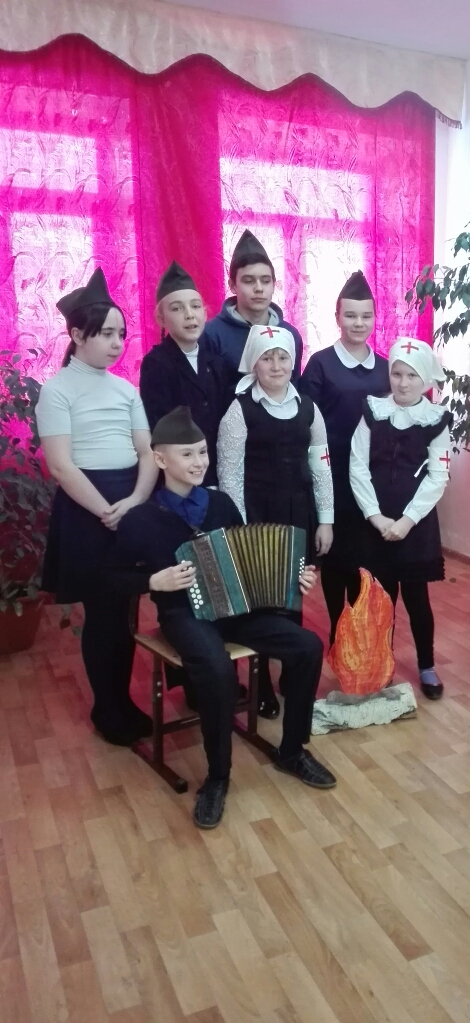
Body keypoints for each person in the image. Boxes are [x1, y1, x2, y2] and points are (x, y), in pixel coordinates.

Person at [113, 406, 337, 829]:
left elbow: (249, 563)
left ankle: (293, 751)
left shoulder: (220, 504)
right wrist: (153, 581)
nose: (199, 462)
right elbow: (110, 579)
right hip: (184, 615)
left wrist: (293, 578)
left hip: (236, 610)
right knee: (216, 668)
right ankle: (218, 777)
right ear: (160, 459)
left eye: (202, 452)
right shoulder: (141, 519)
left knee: (307, 645)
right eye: (187, 454)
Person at [36, 268, 158, 745]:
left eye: (121, 334)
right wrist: (107, 509)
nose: (117, 343)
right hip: (86, 506)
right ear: (77, 335)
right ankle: (107, 707)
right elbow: (61, 466)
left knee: (127, 610)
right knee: (103, 613)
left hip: (130, 499)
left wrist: (136, 500)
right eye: (106, 333)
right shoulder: (57, 390)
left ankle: (122, 700)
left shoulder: (126, 390)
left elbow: (147, 452)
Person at [217, 324, 334, 717]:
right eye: (267, 358)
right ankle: (261, 684)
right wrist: (239, 529)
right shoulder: (239, 410)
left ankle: (292, 672)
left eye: (283, 357)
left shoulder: (309, 409)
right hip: (257, 515)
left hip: (298, 513)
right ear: (254, 362)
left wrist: (326, 520)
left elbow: (321, 468)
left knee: (293, 594)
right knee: (261, 601)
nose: (277, 365)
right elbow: (230, 474)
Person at [349, 337, 452, 700]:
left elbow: (438, 477)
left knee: (417, 598)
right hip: (375, 522)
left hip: (415, 525)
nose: (403, 383)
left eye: (412, 376)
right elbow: (357, 466)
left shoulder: (436, 420)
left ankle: (427, 666)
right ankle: (381, 664)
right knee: (380, 598)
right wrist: (374, 516)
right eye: (397, 374)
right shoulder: (373, 411)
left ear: (425, 379)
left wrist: (407, 521)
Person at [299, 271, 390, 644]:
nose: (358, 323)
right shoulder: (320, 364)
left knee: (369, 558)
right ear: (337, 317)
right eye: (350, 315)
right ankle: (339, 629)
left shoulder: (386, 368)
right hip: (333, 477)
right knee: (337, 557)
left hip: (374, 479)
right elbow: (306, 422)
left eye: (366, 316)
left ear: (375, 318)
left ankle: (365, 633)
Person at [139, 261, 233, 488]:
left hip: (218, 471)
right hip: (179, 477)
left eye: (195, 306)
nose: (189, 315)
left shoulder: (217, 362)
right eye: (177, 308)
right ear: (161, 319)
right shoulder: (156, 364)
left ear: (205, 313)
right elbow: (160, 427)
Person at [204, 229, 303, 386]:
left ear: (274, 284)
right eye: (249, 281)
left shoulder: (289, 334)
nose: (259, 288)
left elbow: (294, 388)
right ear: (232, 285)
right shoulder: (211, 335)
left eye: (265, 281)